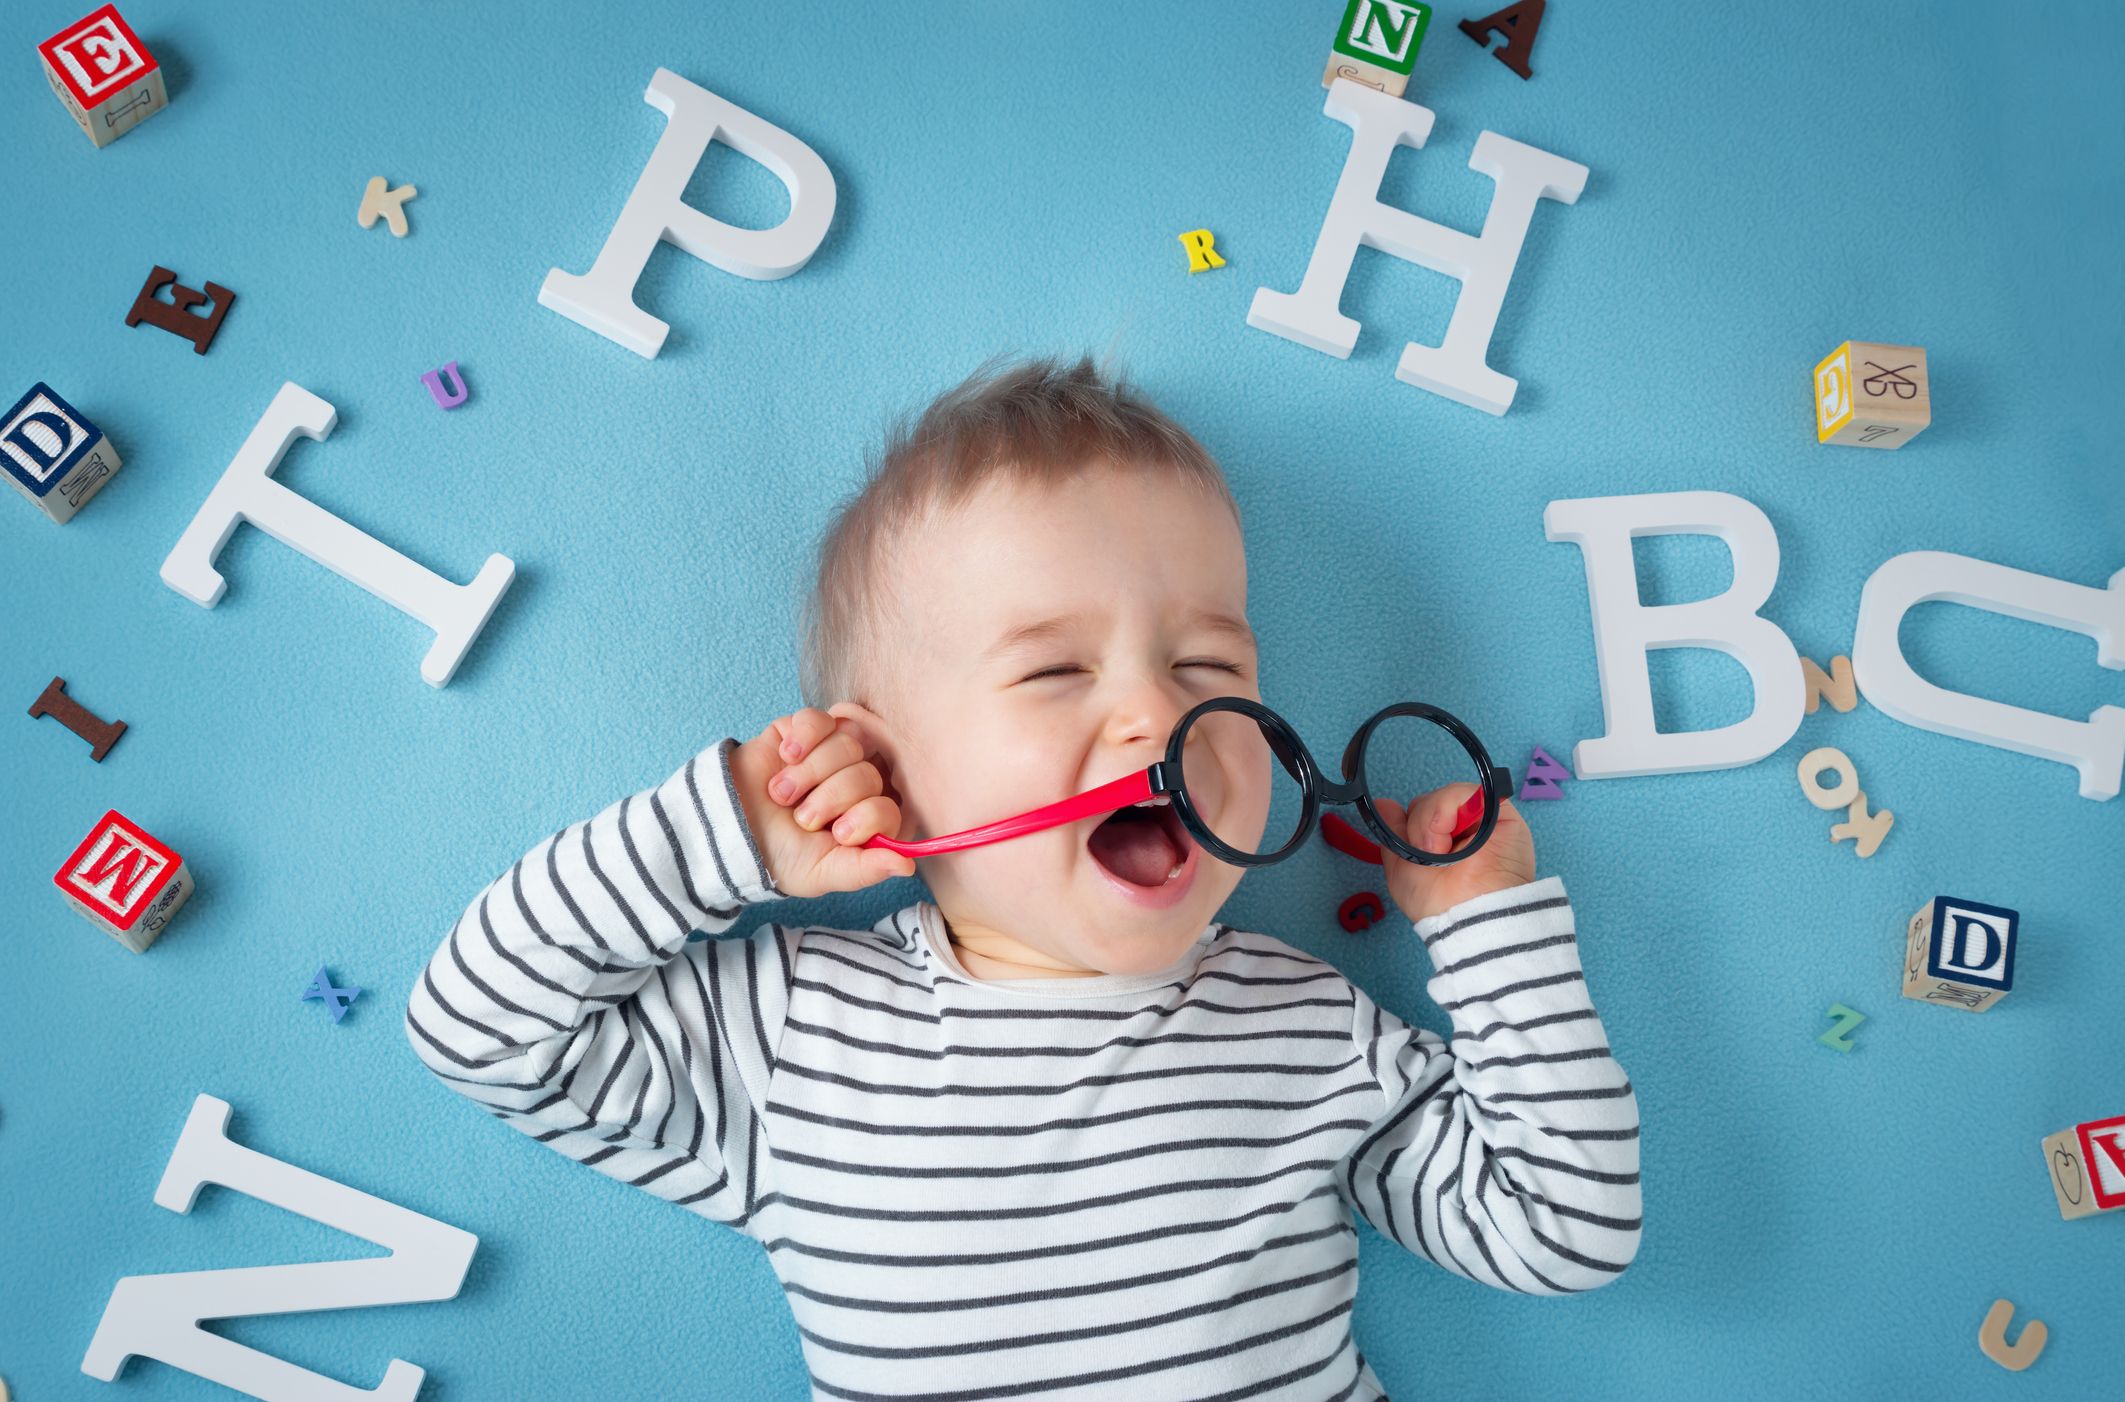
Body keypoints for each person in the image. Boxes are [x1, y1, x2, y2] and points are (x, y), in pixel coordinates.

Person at [406, 354, 1641, 1399]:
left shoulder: (1309, 1028)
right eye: (1056, 673)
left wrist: (1487, 924)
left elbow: (1565, 1230)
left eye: (1210, 670)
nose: (1158, 712)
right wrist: (736, 828)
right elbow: (477, 1028)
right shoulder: (794, 1036)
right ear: (880, 761)